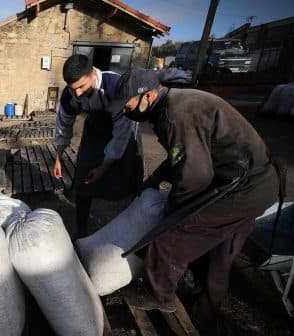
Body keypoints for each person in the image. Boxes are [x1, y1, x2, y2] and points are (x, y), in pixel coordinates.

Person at [108, 68, 279, 332]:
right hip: (254, 184)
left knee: (170, 238)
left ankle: (158, 295)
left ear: (148, 96)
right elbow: (185, 152)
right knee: (217, 254)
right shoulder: (174, 103)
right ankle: (203, 314)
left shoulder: (175, 115)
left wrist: (173, 211)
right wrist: (155, 178)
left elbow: (195, 176)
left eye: (129, 104)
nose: (127, 111)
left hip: (241, 189)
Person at [52, 54, 144, 239]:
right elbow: (63, 124)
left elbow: (121, 134)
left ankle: (133, 225)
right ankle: (81, 229)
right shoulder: (70, 94)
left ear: (93, 73)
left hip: (123, 129)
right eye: (73, 88)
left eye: (81, 87)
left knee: (129, 174)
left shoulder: (117, 88)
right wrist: (58, 157)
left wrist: (104, 166)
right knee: (84, 177)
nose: (77, 93)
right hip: (95, 128)